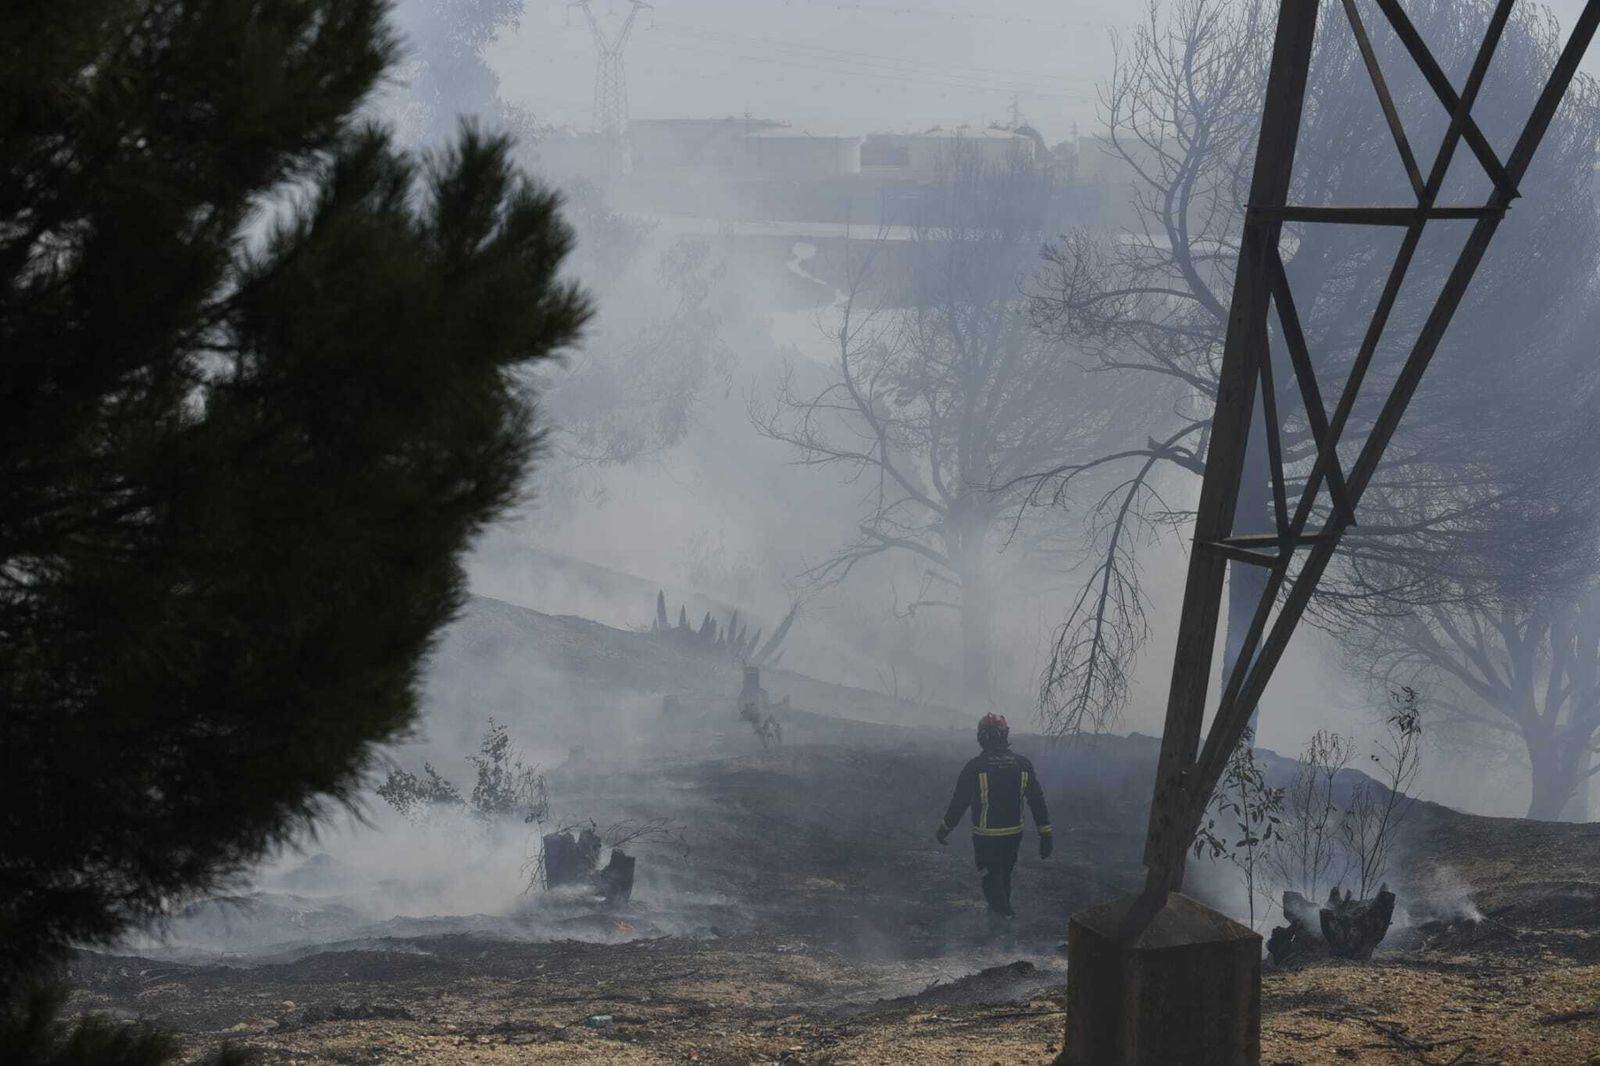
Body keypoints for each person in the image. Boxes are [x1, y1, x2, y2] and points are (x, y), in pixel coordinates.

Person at [936, 714, 1052, 925]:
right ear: (1005, 735)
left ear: (981, 737)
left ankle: (1003, 918)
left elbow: (959, 802)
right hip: (1013, 835)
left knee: (990, 876)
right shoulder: (1022, 764)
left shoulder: (975, 767)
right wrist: (1046, 835)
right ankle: (998, 920)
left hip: (986, 837)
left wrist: (945, 828)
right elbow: (1037, 801)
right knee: (1004, 874)